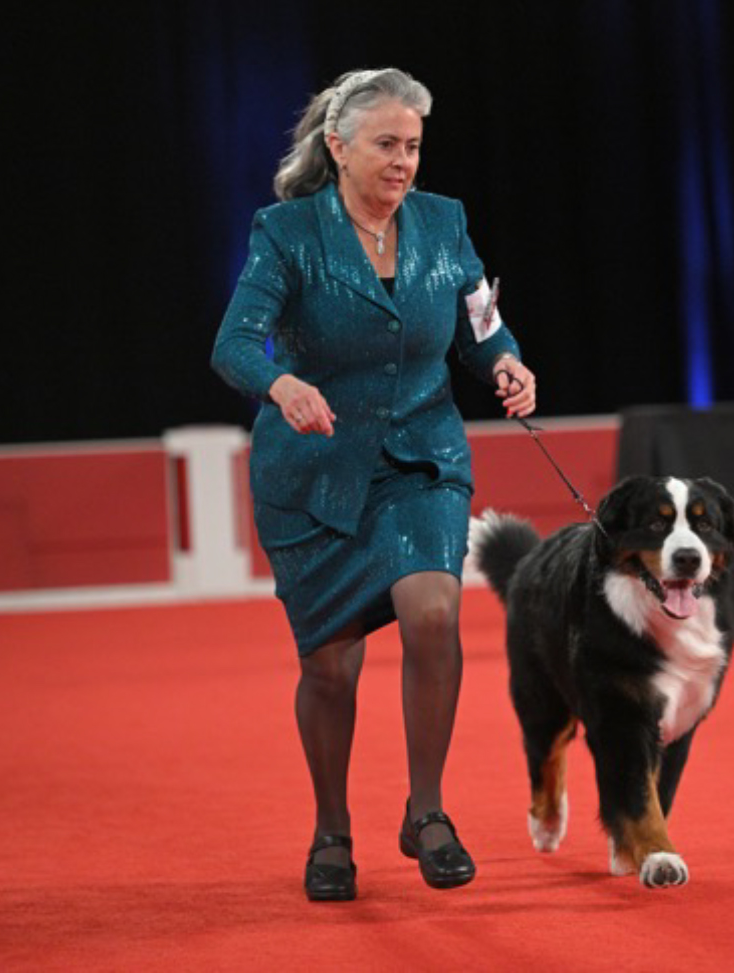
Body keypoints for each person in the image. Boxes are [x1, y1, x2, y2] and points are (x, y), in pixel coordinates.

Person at [211, 67, 537, 902]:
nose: (403, 162)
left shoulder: (444, 221)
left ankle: (427, 812)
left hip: (422, 457)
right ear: (339, 146)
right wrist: (281, 384)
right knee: (330, 668)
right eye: (387, 144)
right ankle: (331, 830)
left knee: (433, 611)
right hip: (314, 471)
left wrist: (505, 362)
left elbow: (480, 324)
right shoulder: (288, 232)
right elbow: (235, 344)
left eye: (414, 146)